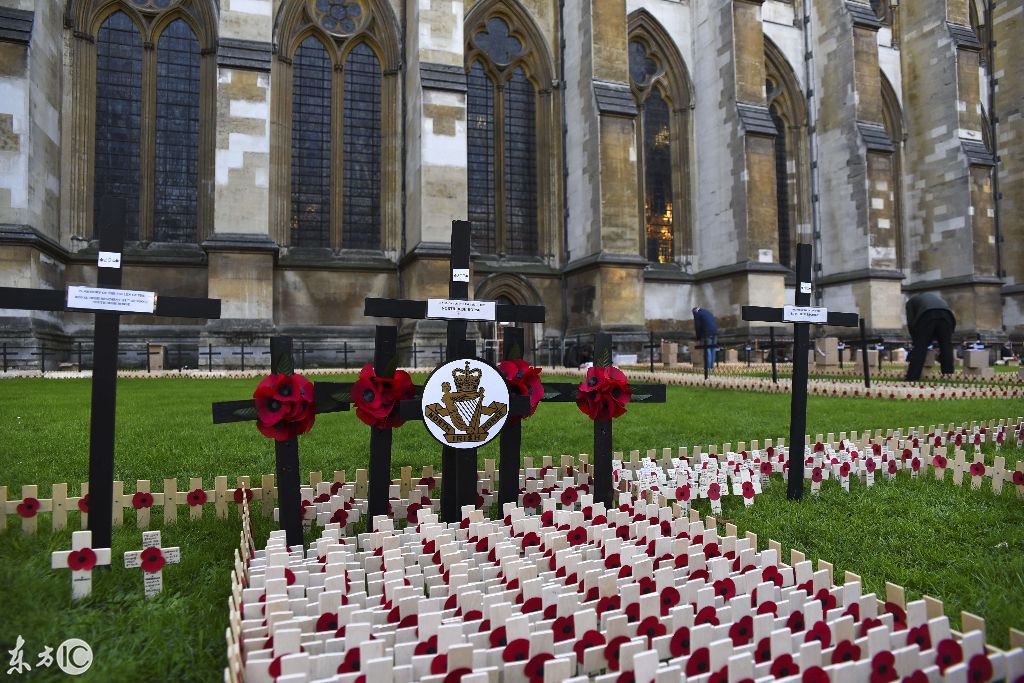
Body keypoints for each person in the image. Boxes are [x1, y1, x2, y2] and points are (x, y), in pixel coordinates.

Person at [904, 292, 956, 381]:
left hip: (927, 315)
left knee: (920, 347)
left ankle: (912, 376)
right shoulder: (934, 297)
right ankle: (948, 374)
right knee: (946, 346)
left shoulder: (910, 302)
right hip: (947, 316)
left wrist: (916, 340)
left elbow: (911, 322)